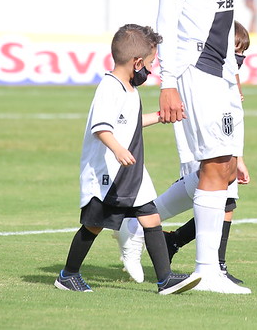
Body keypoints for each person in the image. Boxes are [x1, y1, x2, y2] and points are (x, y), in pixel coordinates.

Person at [155, 0, 257, 294]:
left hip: (221, 71)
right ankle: (207, 271)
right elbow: (168, 15)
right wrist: (165, 81)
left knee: (224, 167)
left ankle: (136, 225)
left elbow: (225, 12)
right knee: (215, 166)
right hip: (193, 70)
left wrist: (233, 74)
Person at [54, 24, 201, 295]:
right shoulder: (109, 88)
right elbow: (101, 128)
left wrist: (160, 116)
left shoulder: (129, 90)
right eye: (149, 63)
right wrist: (119, 150)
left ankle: (165, 280)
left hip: (132, 173)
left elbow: (129, 124)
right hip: (109, 173)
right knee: (94, 225)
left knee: (151, 218)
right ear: (136, 63)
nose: (150, 69)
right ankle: (68, 275)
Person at [115, 21, 252, 286]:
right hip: (199, 143)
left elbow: (235, 119)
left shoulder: (227, 75)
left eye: (243, 51)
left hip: (224, 146)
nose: (240, 57)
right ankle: (140, 225)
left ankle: (157, 235)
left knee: (225, 200)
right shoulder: (199, 69)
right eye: (236, 50)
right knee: (220, 197)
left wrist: (239, 157)